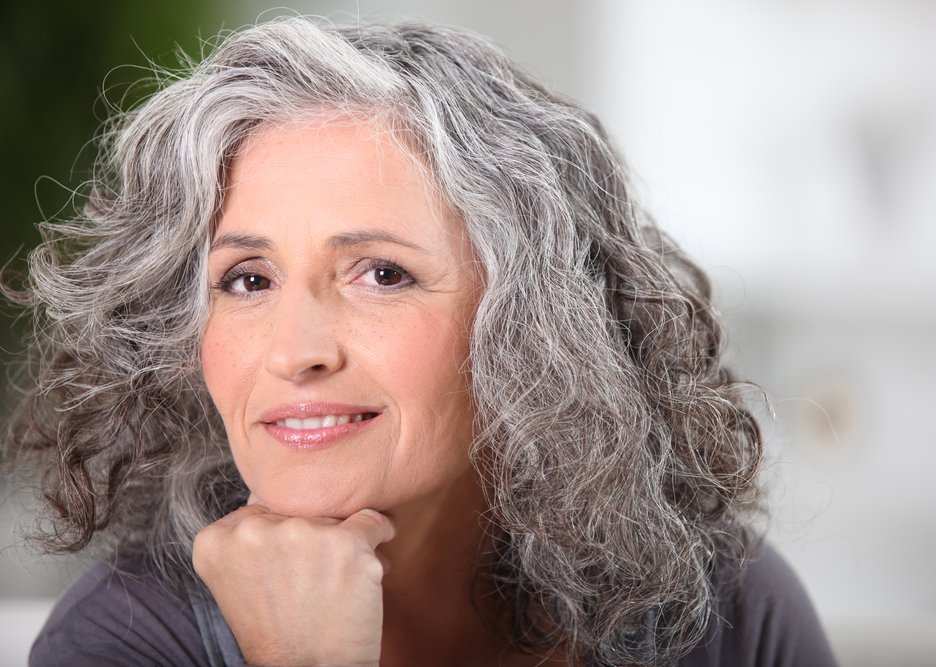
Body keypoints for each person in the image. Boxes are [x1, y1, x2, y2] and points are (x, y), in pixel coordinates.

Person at [3, 15, 838, 667]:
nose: (296, 351)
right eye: (248, 279)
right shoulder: (125, 640)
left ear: (535, 325)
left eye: (381, 274)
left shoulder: (726, 609)